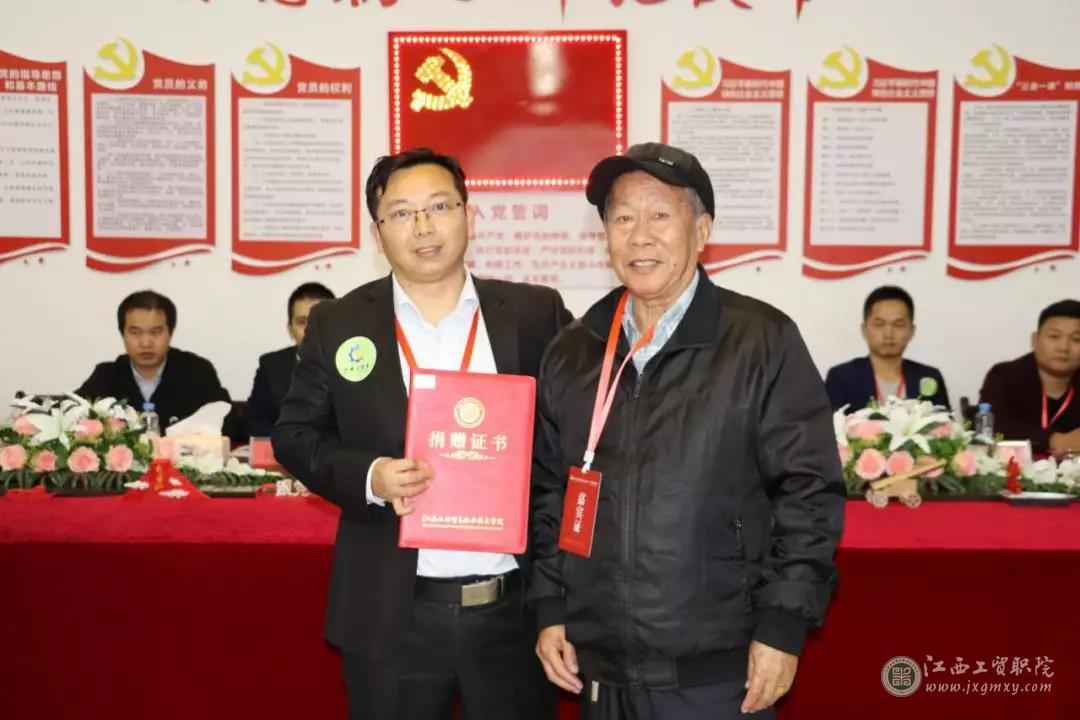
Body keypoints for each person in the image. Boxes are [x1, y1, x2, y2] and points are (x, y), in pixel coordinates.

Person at [529, 142, 845, 719]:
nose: (639, 236)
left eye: (659, 215)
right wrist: (550, 606)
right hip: (601, 673)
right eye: (622, 218)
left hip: (719, 675)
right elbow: (551, 491)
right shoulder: (574, 351)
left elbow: (809, 493)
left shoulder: (761, 341)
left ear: (701, 231)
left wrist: (783, 624)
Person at [272, 148, 571, 720]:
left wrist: (559, 599)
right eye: (403, 213)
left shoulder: (535, 313)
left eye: (439, 206)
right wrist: (371, 476)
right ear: (377, 232)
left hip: (514, 612)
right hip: (393, 612)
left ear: (469, 215)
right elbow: (294, 434)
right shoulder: (339, 322)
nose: (424, 226)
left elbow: (569, 444)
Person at [76, 290, 242, 440]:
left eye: (155, 332)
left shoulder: (197, 372)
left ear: (170, 333)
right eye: (135, 333)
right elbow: (73, 419)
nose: (146, 342)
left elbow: (228, 425)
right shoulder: (107, 375)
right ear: (123, 334)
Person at [824, 286, 950, 411]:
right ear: (864, 329)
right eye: (879, 324)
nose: (888, 334)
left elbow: (944, 422)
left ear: (912, 331)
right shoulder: (841, 377)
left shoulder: (929, 377)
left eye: (898, 324)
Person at [979, 299, 1080, 452]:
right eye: (1054, 337)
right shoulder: (1004, 375)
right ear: (1034, 339)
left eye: (1076, 339)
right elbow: (994, 424)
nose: (1063, 347)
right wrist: (1055, 441)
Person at [245, 282, 335, 437]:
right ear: (290, 329)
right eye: (302, 322)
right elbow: (255, 422)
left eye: (320, 320)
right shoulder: (271, 366)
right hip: (285, 450)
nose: (310, 329)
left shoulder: (354, 365)